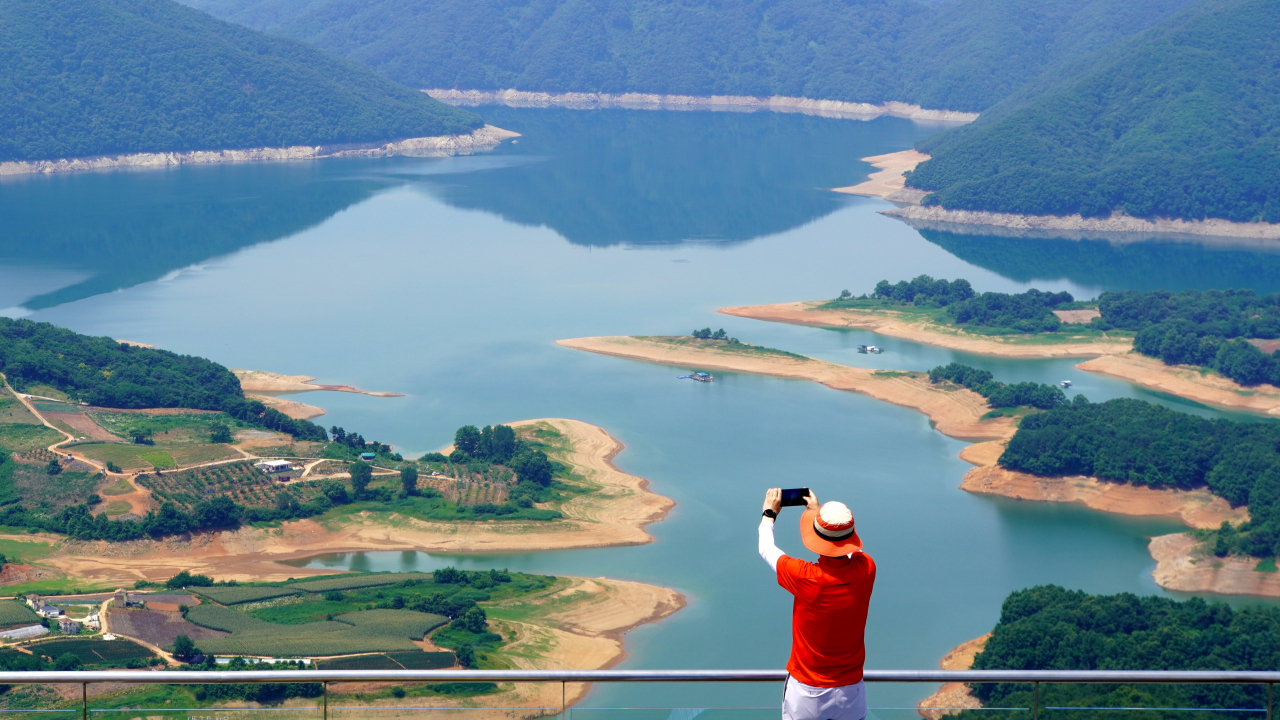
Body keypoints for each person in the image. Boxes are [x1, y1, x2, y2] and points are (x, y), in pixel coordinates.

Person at [760, 487, 877, 720]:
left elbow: (766, 548)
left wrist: (769, 514)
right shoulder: (867, 569)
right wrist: (819, 515)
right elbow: (855, 552)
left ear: (817, 538)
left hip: (808, 691)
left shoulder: (805, 576)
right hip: (851, 691)